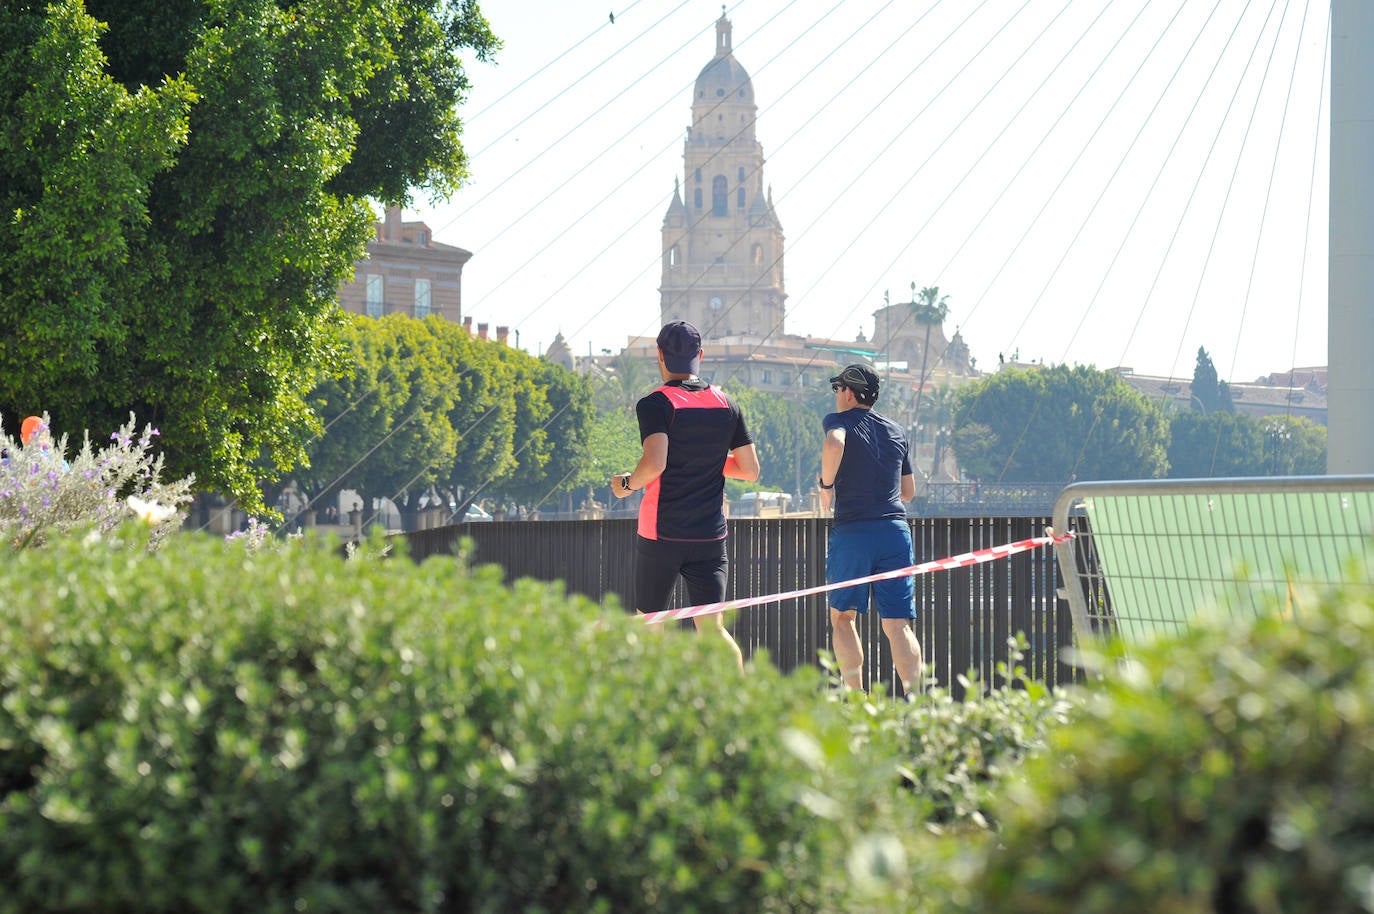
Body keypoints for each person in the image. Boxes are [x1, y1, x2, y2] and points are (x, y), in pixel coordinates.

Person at [612, 320, 760, 669]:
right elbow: (750, 470)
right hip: (710, 535)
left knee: (651, 625)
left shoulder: (655, 404)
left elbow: (656, 462)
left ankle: (655, 711)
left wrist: (628, 484)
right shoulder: (727, 404)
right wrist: (707, 460)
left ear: (660, 357)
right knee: (713, 629)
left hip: (661, 532)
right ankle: (738, 708)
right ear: (700, 356)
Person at [817, 364, 924, 696]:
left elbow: (834, 444)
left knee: (844, 618)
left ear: (848, 392)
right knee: (897, 625)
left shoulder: (838, 422)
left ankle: (857, 701)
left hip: (854, 532)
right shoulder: (896, 430)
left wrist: (826, 486)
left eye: (838, 390)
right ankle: (913, 702)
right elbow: (908, 492)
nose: (836, 396)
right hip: (894, 531)